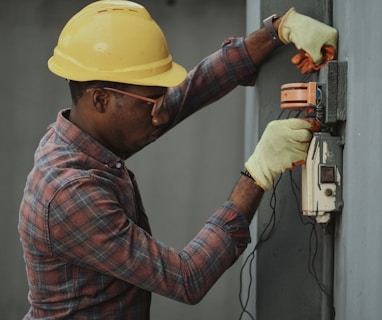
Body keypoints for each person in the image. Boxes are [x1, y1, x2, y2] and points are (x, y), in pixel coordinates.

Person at [18, 1, 338, 319]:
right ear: (101, 99)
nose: (160, 116)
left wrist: (277, 31)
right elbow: (187, 279)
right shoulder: (70, 193)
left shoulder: (81, 137)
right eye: (151, 103)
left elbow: (192, 90)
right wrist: (257, 173)